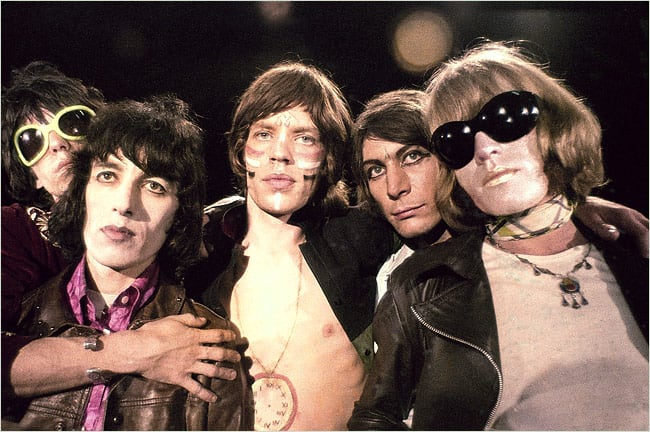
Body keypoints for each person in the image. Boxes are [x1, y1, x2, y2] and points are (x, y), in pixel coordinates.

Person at [348, 41, 648, 430]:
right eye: (457, 140)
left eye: (506, 119)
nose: (485, 149)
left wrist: (582, 206)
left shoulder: (627, 245)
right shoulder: (409, 283)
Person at [4, 95, 254, 430]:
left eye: (154, 186)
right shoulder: (19, 319)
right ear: (81, 193)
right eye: (108, 176)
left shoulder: (208, 344)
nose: (124, 203)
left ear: (178, 216)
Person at [195, 61, 394, 430]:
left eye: (304, 138)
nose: (280, 154)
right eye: (264, 134)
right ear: (241, 149)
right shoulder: (201, 261)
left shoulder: (362, 238)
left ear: (327, 156)